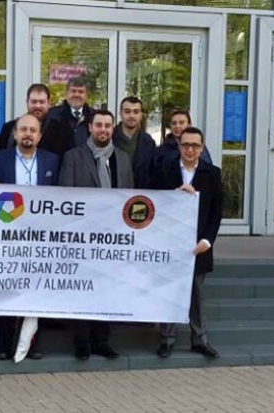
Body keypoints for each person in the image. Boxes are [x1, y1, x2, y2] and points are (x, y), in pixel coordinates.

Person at [58, 109, 130, 361]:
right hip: (83, 236)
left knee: (107, 289)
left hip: (112, 238)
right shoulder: (73, 157)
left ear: (113, 129)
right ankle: (82, 341)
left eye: (108, 126)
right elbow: (65, 196)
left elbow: (129, 196)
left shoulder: (122, 158)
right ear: (90, 127)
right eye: (98, 125)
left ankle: (102, 341)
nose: (103, 130)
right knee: (83, 289)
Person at [0, 113, 60, 361]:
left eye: (32, 130)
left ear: (39, 136)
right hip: (8, 233)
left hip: (40, 235)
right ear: (15, 134)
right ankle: (1, 343)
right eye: (23, 129)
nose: (28, 134)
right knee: (4, 288)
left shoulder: (53, 160)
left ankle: (31, 343)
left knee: (36, 290)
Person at [153, 127, 223, 359]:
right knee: (169, 293)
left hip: (198, 246)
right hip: (170, 243)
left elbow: (216, 212)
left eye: (195, 145)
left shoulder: (212, 173)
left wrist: (207, 240)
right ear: (179, 146)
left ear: (202, 148)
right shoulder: (165, 170)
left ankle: (199, 340)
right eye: (185, 145)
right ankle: (167, 339)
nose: (190, 149)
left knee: (197, 296)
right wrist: (174, 195)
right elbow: (156, 204)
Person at [0, 84, 75, 158]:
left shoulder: (63, 131)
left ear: (49, 103)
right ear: (27, 102)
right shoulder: (9, 128)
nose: (38, 106)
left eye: (42, 102)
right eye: (34, 102)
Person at [111, 96, 156, 189]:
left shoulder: (148, 142)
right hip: (113, 192)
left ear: (141, 115)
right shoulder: (110, 138)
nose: (132, 116)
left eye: (136, 112)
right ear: (120, 113)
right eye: (127, 111)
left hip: (140, 193)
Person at [48, 77, 94, 147]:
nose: (77, 95)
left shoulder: (93, 116)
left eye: (81, 92)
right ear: (66, 93)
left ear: (86, 95)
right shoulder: (52, 115)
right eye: (73, 91)